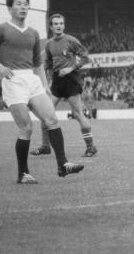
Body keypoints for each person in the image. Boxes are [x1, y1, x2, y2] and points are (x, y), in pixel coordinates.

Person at [0, 0, 84, 184]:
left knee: (52, 118)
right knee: (26, 127)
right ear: (10, 8)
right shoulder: (1, 29)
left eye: (25, 4)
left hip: (32, 79)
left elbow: (38, 63)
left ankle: (63, 165)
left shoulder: (33, 33)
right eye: (19, 3)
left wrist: (45, 85)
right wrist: (0, 66)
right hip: (13, 80)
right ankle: (23, 173)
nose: (23, 7)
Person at [29, 13, 98, 158]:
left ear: (64, 25)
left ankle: (91, 147)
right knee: (45, 114)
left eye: (61, 23)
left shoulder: (71, 40)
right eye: (55, 24)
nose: (58, 26)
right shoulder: (48, 44)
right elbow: (47, 64)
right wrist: (46, 83)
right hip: (57, 82)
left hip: (71, 80)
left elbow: (86, 58)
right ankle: (45, 146)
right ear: (51, 26)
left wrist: (71, 68)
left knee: (77, 114)